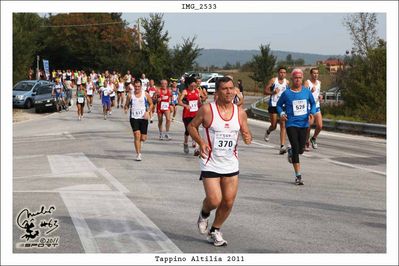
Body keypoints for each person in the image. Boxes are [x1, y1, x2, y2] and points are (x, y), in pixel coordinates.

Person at [188, 76, 252, 247]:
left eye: (231, 88)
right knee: (215, 200)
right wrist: (201, 142)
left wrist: (247, 137)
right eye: (225, 89)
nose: (229, 91)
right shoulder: (208, 110)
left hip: (231, 162)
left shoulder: (240, 113)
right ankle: (204, 214)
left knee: (229, 201)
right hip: (210, 161)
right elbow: (192, 126)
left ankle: (215, 230)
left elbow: (246, 133)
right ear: (216, 92)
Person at [277, 68, 316, 185]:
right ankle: (298, 176)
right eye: (295, 78)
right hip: (291, 123)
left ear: (302, 78)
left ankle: (291, 151)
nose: (297, 80)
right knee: (295, 147)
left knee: (300, 150)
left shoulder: (306, 92)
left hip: (304, 124)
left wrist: (312, 113)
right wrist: (282, 113)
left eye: (299, 78)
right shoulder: (287, 93)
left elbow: (313, 104)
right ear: (292, 79)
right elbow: (279, 105)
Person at [124, 79, 153, 161]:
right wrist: (126, 108)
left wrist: (148, 112)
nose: (137, 88)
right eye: (135, 86)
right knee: (137, 134)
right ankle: (138, 154)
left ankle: (140, 143)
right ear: (133, 86)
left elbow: (151, 104)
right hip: (134, 118)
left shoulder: (145, 94)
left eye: (138, 86)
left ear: (141, 86)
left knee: (143, 138)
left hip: (143, 118)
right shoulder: (130, 95)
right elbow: (126, 105)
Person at [264, 66, 290, 154]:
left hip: (283, 106)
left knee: (283, 124)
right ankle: (268, 131)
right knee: (274, 125)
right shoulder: (273, 80)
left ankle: (282, 146)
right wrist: (273, 92)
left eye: (284, 72)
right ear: (278, 73)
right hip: (273, 105)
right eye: (281, 72)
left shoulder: (287, 82)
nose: (282, 74)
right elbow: (265, 91)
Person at [178, 76, 201, 155]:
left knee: (196, 130)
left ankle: (197, 148)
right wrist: (185, 106)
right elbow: (179, 101)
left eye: (195, 85)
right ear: (188, 85)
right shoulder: (185, 91)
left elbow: (199, 102)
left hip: (196, 113)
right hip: (187, 114)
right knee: (188, 131)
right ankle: (185, 143)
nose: (193, 87)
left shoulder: (197, 91)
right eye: (192, 86)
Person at [304, 68, 323, 150]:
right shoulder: (307, 83)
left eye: (317, 73)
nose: (316, 75)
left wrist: (320, 97)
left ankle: (313, 138)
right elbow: (303, 95)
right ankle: (306, 141)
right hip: (308, 107)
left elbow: (318, 93)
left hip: (316, 106)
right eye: (314, 73)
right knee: (308, 126)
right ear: (311, 74)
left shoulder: (319, 83)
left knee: (320, 126)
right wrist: (310, 92)